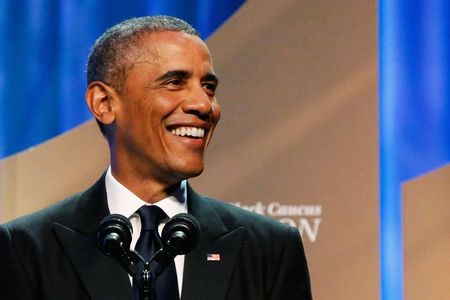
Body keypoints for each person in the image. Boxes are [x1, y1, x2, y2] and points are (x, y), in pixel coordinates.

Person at [0, 16, 312, 300]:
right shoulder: (27, 248)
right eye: (175, 82)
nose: (204, 105)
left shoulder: (269, 248)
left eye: (209, 87)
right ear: (104, 102)